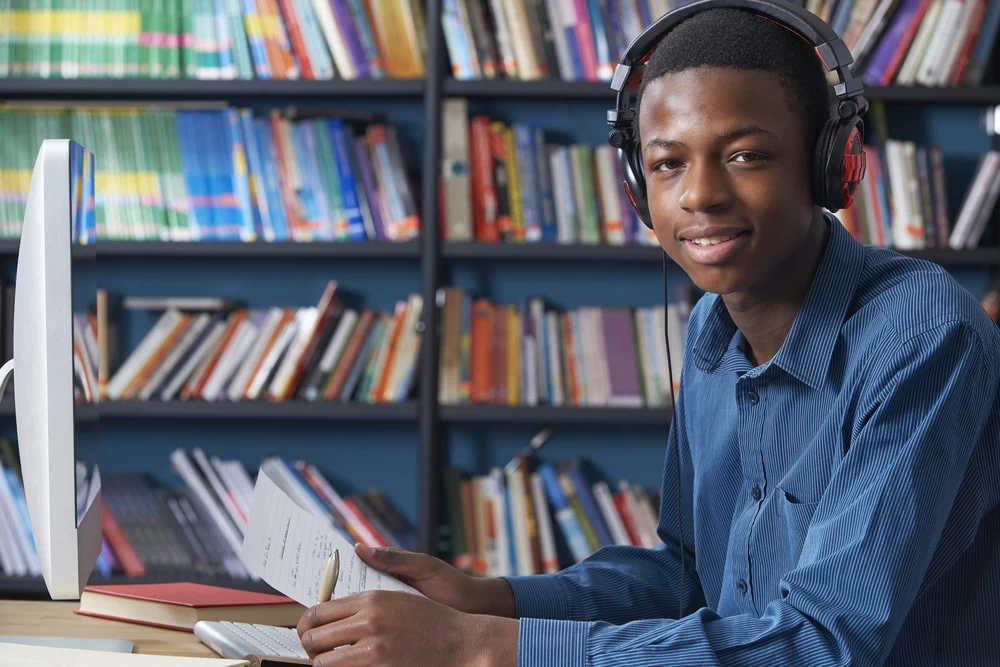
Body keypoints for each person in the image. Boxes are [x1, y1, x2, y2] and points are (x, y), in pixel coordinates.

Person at [295, 7, 1000, 666]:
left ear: (830, 164)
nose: (699, 195)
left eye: (746, 155)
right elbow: (687, 577)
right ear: (637, 188)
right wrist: (491, 600)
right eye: (667, 163)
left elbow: (821, 643)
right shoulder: (711, 329)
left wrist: (483, 645)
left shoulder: (923, 336)